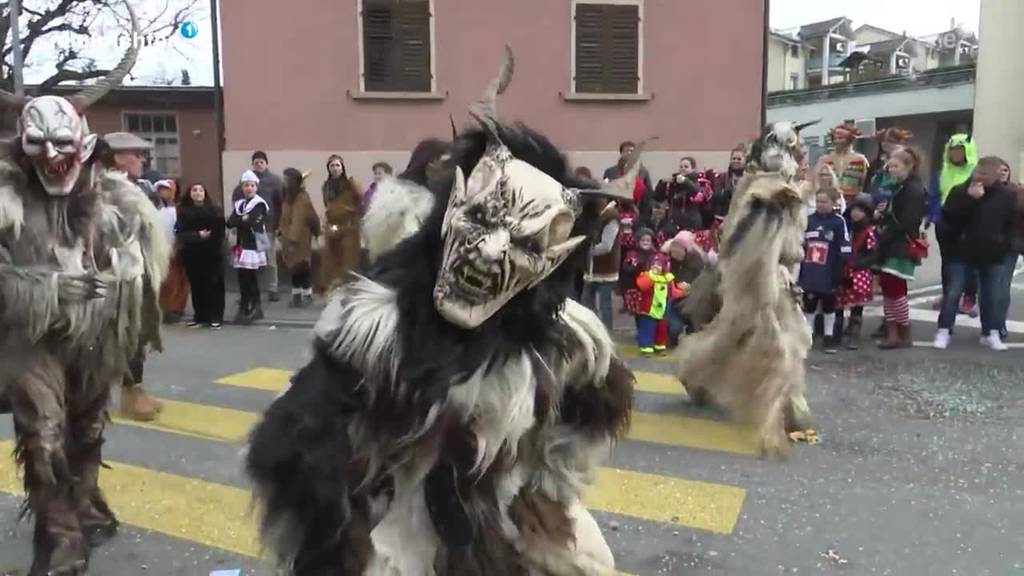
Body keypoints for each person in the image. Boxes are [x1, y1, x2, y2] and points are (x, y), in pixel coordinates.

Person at [245, 48, 639, 573]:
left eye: (522, 242)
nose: (492, 251)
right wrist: (339, 521)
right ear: (450, 211)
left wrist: (546, 487)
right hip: (402, 531)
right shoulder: (372, 328)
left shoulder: (570, 340)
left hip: (505, 522)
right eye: (482, 221)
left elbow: (595, 412)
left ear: (550, 263)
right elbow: (293, 445)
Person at [0, 16, 171, 572]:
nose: (54, 159)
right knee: (43, 439)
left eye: (64, 146)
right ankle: (60, 547)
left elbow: (143, 270)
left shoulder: (116, 200)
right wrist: (48, 289)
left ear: (86, 146)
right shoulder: (7, 202)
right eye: (41, 147)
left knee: (88, 433)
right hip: (33, 342)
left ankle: (83, 507)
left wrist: (123, 280)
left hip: (94, 341)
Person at [676, 120, 820, 448]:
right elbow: (744, 239)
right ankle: (791, 412)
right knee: (770, 340)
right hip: (753, 280)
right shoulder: (760, 192)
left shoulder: (783, 192)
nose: (790, 156)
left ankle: (698, 377)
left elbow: (790, 244)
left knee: (767, 339)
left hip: (774, 278)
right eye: (785, 148)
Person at [101, 131, 166, 422]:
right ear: (116, 158)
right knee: (120, 335)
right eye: (135, 154)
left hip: (138, 270)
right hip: (117, 275)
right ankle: (125, 394)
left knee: (137, 334)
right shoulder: (103, 188)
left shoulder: (135, 187)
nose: (142, 159)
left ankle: (135, 388)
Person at [932, 157, 1018, 351]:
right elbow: (948, 219)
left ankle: (991, 332)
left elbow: (1011, 224)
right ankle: (944, 330)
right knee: (953, 292)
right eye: (978, 172)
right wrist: (970, 200)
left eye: (986, 174)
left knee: (990, 295)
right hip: (960, 253)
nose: (980, 177)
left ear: (997, 175)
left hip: (991, 253)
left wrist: (1004, 244)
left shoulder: (1006, 196)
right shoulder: (960, 191)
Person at [875, 148, 928, 349]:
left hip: (900, 245)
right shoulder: (899, 186)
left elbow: (908, 221)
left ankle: (902, 332)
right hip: (893, 243)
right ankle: (894, 332)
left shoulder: (912, 189)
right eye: (890, 165)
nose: (891, 169)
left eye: (896, 166)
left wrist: (884, 232)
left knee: (895, 290)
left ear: (909, 166)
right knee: (890, 290)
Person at [932, 133, 980, 316]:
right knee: (947, 262)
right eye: (953, 150)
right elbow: (936, 196)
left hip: (968, 223)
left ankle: (969, 297)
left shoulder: (975, 172)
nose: (956, 154)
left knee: (969, 263)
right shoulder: (943, 172)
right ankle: (948, 293)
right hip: (945, 222)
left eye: (960, 150)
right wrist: (933, 216)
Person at [799, 188, 852, 353]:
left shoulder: (838, 221)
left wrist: (843, 266)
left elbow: (845, 243)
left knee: (829, 304)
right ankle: (809, 334)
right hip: (810, 269)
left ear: (834, 203)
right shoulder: (808, 220)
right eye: (818, 201)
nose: (821, 205)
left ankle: (829, 336)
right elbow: (800, 242)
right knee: (810, 304)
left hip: (829, 269)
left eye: (825, 202)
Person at [234, 151, 284, 301]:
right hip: (248, 228)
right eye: (256, 162)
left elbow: (280, 204)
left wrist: (279, 224)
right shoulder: (246, 179)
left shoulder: (275, 181)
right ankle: (251, 289)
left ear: (266, 163)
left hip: (267, 226)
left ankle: (273, 288)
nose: (259, 164)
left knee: (270, 259)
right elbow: (237, 200)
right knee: (249, 260)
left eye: (261, 162)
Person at [176, 183, 226, 328]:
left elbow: (220, 232)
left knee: (214, 285)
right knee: (197, 286)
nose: (197, 193)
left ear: (205, 193)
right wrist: (197, 235)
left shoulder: (214, 210)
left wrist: (212, 240)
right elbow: (180, 233)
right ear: (190, 194)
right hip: (192, 254)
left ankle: (215, 316)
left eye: (200, 190)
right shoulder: (184, 212)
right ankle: (200, 316)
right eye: (194, 190)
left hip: (212, 253)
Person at [227, 170, 270, 324]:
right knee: (242, 279)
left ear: (256, 187)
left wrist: (242, 220)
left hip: (252, 246)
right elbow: (230, 222)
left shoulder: (259, 204)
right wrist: (241, 219)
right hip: (241, 246)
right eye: (246, 185)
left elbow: (251, 222)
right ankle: (244, 306)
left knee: (251, 279)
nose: (249, 188)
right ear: (242, 187)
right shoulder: (240, 204)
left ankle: (256, 307)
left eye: (252, 185)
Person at [837, 194, 878, 349]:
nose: (856, 213)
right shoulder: (845, 228)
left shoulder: (869, 232)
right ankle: (837, 330)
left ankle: (854, 332)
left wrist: (857, 266)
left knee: (857, 304)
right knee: (839, 301)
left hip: (859, 272)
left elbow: (872, 254)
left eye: (860, 210)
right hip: (844, 269)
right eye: (854, 209)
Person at [320, 154, 363, 291]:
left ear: (342, 167)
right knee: (332, 258)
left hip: (349, 226)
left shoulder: (350, 184)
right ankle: (334, 289)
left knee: (348, 259)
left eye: (337, 165)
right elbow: (327, 204)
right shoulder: (326, 186)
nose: (335, 168)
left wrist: (350, 212)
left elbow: (360, 200)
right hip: (333, 226)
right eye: (332, 166)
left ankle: (349, 288)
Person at [279, 168, 321, 307]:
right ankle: (296, 295)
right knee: (294, 268)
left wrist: (292, 240)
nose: (284, 182)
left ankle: (307, 296)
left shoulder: (301, 198)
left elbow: (298, 219)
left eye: (286, 180)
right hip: (288, 237)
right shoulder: (288, 196)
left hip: (299, 238)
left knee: (302, 267)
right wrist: (281, 231)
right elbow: (285, 216)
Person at [635, 253, 686, 356]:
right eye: (653, 264)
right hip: (648, 310)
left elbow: (673, 292)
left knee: (662, 330)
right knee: (647, 329)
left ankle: (660, 347)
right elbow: (642, 286)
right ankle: (646, 348)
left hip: (663, 310)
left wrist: (683, 292)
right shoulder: (646, 276)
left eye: (659, 264)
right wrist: (652, 276)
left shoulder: (668, 279)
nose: (656, 267)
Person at [582, 199, 621, 330]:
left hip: (606, 268)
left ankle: (607, 332)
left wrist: (586, 251)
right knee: (587, 302)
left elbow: (606, 245)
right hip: (592, 268)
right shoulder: (594, 217)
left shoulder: (611, 218)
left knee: (605, 304)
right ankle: (589, 329)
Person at [155, 179, 189, 324]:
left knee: (178, 280)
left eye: (166, 189)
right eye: (161, 190)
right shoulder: (158, 210)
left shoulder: (179, 210)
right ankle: (164, 306)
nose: (163, 193)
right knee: (165, 280)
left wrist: (178, 245)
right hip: (162, 249)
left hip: (176, 248)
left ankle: (176, 308)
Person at [817, 123, 870, 206]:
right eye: (835, 138)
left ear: (850, 139)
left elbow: (865, 184)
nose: (837, 141)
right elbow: (817, 183)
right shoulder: (824, 160)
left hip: (853, 204)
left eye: (841, 138)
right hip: (829, 203)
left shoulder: (860, 160)